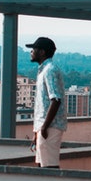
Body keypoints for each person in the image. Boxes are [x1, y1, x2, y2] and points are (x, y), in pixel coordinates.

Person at [26, 36, 67, 168]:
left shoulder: (50, 70)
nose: (31, 51)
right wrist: (37, 131)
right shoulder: (44, 70)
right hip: (44, 127)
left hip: (50, 126)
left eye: (34, 49)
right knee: (42, 165)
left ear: (42, 52)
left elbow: (55, 100)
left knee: (49, 167)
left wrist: (44, 127)